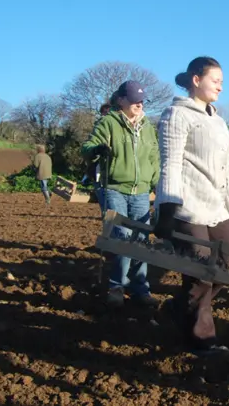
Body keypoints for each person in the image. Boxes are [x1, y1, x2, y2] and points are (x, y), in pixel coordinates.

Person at [153, 56, 229, 356]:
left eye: (221, 80)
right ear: (196, 80)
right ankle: (202, 338)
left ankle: (181, 307)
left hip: (215, 207)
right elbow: (171, 163)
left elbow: (225, 167)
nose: (220, 85)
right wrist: (167, 207)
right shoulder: (176, 115)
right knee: (201, 269)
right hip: (188, 205)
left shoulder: (217, 120)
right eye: (214, 79)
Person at [81, 80, 161, 307]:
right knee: (122, 237)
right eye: (134, 99)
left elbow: (154, 158)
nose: (139, 103)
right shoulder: (108, 123)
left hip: (141, 191)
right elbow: (86, 148)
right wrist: (96, 149)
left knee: (141, 239)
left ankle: (140, 288)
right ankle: (116, 286)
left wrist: (157, 185)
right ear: (121, 100)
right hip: (115, 188)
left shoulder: (147, 126)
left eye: (141, 100)